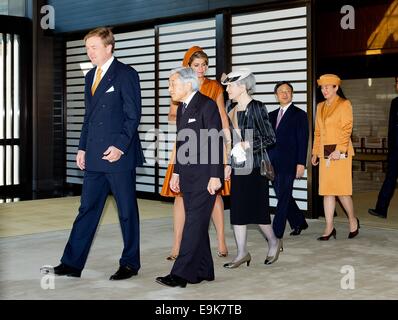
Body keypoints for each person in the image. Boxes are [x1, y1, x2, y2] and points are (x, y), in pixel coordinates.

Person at [50, 27, 144, 279]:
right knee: (87, 210)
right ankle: (71, 262)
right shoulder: (90, 75)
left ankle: (130, 264)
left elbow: (133, 116)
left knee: (126, 212)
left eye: (94, 47)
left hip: (118, 156)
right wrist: (82, 147)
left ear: (108, 47)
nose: (89, 52)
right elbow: (89, 118)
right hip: (94, 156)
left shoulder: (126, 74)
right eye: (87, 47)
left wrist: (121, 147)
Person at [156, 67, 224, 288]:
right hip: (187, 175)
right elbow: (181, 143)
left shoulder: (207, 104)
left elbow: (215, 141)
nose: (169, 89)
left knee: (193, 224)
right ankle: (204, 270)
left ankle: (180, 274)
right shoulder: (182, 108)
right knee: (197, 224)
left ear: (187, 84)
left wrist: (216, 176)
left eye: (172, 84)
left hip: (205, 177)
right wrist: (176, 171)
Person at [160, 46, 230, 260]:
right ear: (188, 68)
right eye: (196, 65)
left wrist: (227, 146)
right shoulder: (180, 86)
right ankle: (177, 244)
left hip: (210, 144)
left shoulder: (214, 86)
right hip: (185, 144)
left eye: (204, 65)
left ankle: (221, 241)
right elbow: (173, 115)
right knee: (179, 195)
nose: (201, 69)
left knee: (214, 194)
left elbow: (221, 116)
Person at [222, 69, 282, 268]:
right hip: (239, 166)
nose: (227, 89)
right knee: (237, 211)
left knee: (259, 212)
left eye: (230, 85)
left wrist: (249, 144)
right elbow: (230, 140)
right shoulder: (230, 107)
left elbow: (270, 138)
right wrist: (228, 163)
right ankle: (242, 253)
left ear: (242, 86)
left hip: (256, 167)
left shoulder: (257, 107)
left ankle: (273, 241)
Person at [311, 74, 359, 240]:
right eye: (322, 88)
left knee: (341, 191)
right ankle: (329, 227)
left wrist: (340, 149)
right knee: (327, 191)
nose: (324, 90)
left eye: (327, 87)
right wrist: (315, 152)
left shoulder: (344, 104)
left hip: (341, 152)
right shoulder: (320, 106)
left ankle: (353, 220)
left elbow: (347, 129)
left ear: (336, 87)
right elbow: (317, 132)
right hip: (325, 152)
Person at [268, 81, 309, 238]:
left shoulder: (299, 115)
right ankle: (299, 221)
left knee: (284, 195)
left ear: (292, 94)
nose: (284, 94)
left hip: (290, 162)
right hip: (272, 162)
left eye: (287, 91)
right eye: (281, 91)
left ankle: (276, 231)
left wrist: (301, 163)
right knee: (282, 194)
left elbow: (302, 140)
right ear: (276, 95)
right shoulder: (271, 115)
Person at [368, 76, 398, 219]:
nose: (397, 85)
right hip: (396, 150)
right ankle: (381, 209)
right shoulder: (395, 102)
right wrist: (390, 149)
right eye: (397, 83)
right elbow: (391, 129)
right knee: (390, 178)